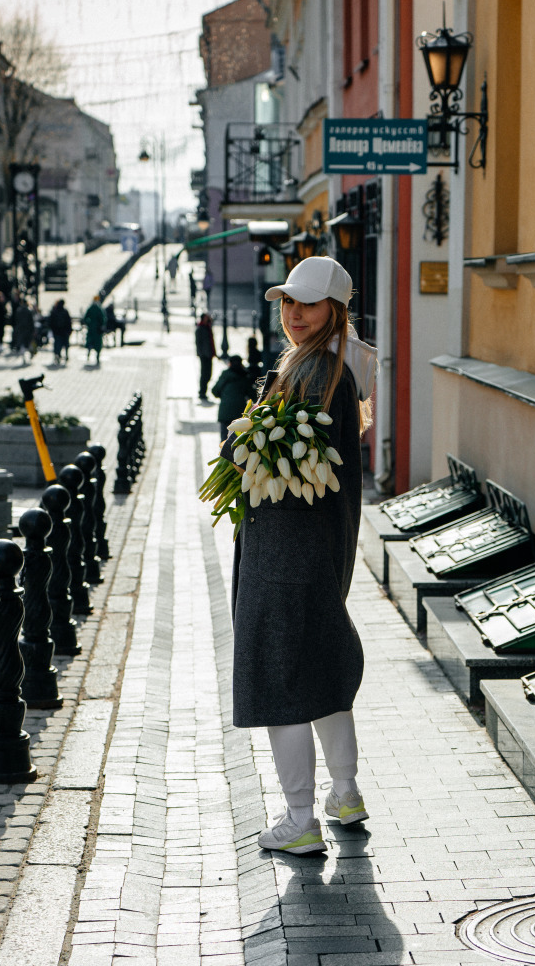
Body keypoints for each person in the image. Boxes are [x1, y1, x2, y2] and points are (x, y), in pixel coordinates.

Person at [222, 256, 377, 855]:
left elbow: (282, 471)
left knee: (279, 680)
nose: (294, 315)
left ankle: (299, 818)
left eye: (307, 305)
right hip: (318, 551)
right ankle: (345, 793)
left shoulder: (315, 375)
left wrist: (241, 446)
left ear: (334, 310)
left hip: (284, 553)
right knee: (320, 672)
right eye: (288, 303)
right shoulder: (335, 369)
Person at [212, 355, 254, 442]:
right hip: (239, 413)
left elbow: (215, 391)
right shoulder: (244, 377)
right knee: (237, 441)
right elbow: (253, 395)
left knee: (224, 441)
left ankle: (224, 455)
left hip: (224, 413)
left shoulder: (225, 375)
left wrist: (224, 396)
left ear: (229, 364)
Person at [195, 312, 216, 399]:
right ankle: (202, 392)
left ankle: (204, 391)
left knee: (209, 374)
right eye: (207, 318)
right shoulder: (200, 329)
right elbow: (198, 343)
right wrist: (201, 354)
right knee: (204, 374)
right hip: (204, 355)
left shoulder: (207, 327)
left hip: (209, 354)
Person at [83, 295, 107, 365]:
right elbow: (103, 319)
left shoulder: (90, 308)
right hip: (97, 330)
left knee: (90, 342)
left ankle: (88, 355)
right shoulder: (99, 309)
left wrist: (89, 323)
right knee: (97, 344)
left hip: (91, 329)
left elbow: (85, 318)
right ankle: (97, 357)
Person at [11, 297, 35, 365]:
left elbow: (16, 320)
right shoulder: (28, 311)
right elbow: (31, 321)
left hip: (20, 330)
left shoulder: (19, 311)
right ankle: (30, 355)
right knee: (28, 343)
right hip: (28, 330)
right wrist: (33, 330)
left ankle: (23, 357)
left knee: (22, 345)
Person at [49, 298, 72, 365]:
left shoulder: (55, 311)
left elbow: (51, 321)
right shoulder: (65, 311)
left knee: (58, 344)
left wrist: (53, 329)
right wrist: (69, 330)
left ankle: (58, 355)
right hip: (64, 331)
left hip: (57, 331)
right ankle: (66, 355)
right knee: (65, 344)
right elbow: (69, 322)